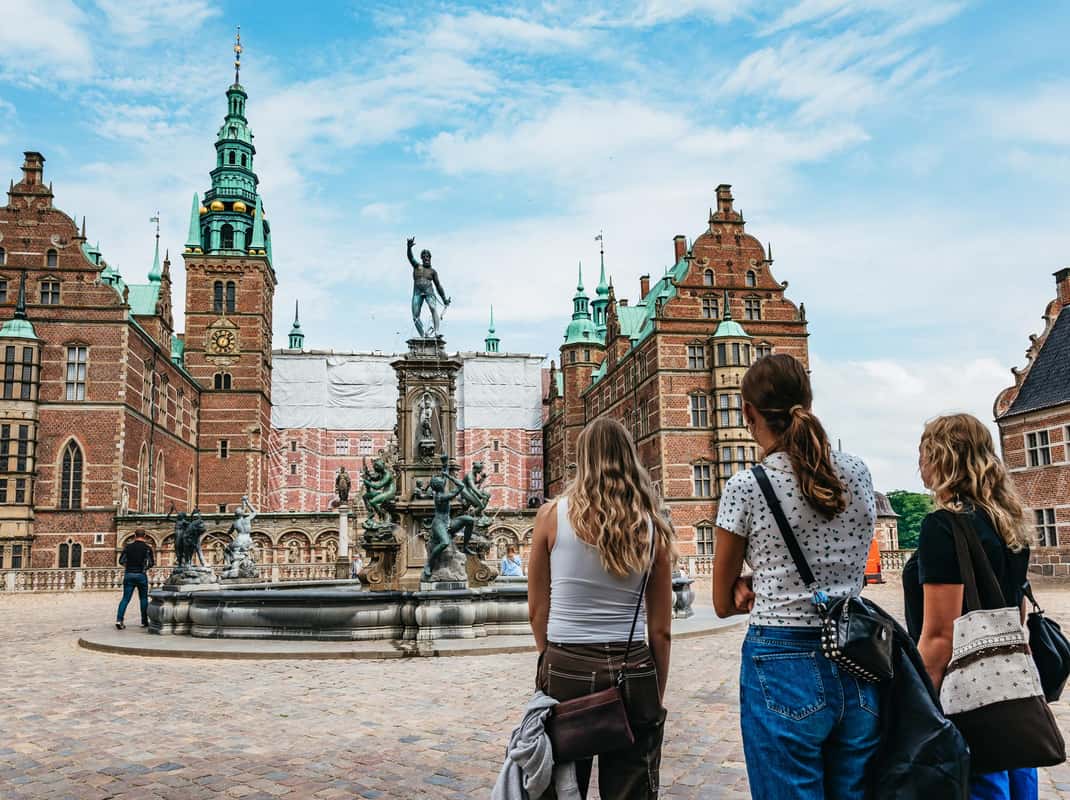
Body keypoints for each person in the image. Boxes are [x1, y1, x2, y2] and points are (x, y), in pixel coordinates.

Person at [712, 354, 878, 800]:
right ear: (807, 400)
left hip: (781, 655)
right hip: (857, 652)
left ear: (748, 413)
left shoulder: (746, 487)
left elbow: (722, 602)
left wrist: (748, 585)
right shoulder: (857, 472)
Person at [528, 417, 674, 799]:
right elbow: (661, 630)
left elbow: (537, 611)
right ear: (630, 458)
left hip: (566, 665)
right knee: (632, 788)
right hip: (632, 667)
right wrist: (654, 692)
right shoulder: (653, 526)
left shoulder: (550, 517)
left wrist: (550, 657)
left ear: (582, 460)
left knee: (559, 785)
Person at [903, 413, 1036, 800]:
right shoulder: (1008, 522)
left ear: (944, 458)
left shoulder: (944, 527)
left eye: (924, 454)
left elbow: (941, 635)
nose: (920, 465)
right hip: (1009, 684)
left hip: (966, 689)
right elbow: (1016, 612)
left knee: (977, 783)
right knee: (1015, 777)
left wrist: (917, 706)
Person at [116, 529, 155, 630]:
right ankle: (144, 621)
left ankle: (119, 620)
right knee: (143, 599)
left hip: (129, 574)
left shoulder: (128, 547)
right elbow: (151, 563)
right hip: (141, 575)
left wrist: (128, 566)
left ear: (134, 535)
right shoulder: (147, 548)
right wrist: (144, 568)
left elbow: (121, 561)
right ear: (145, 535)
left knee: (125, 599)